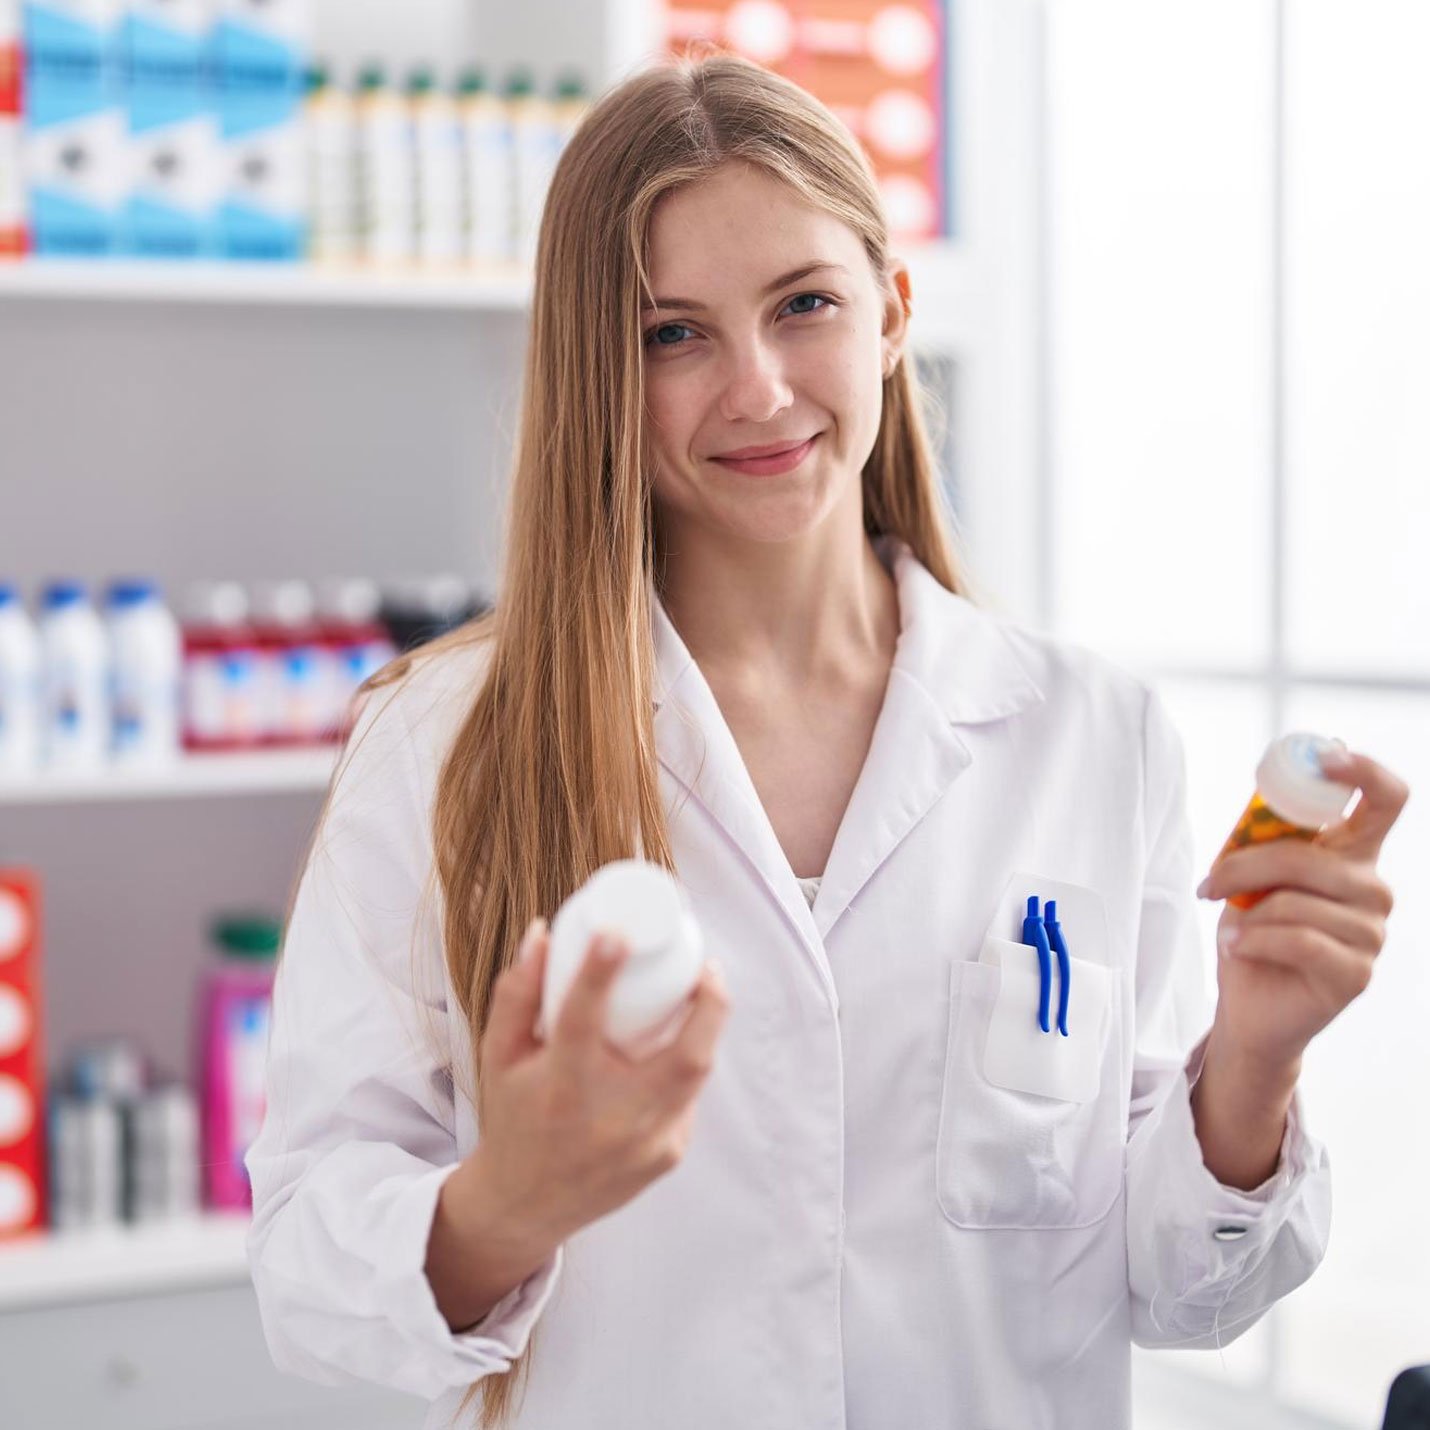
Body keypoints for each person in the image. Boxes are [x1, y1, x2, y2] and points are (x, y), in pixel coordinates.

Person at [244, 50, 1409, 1430]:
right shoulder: (440, 743)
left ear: (892, 312)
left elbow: (1172, 1284)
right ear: (594, 368)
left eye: (802, 305)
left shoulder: (1090, 736)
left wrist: (1253, 1066)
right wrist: (504, 1206)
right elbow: (307, 1269)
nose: (754, 388)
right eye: (670, 332)